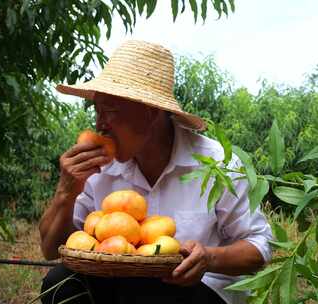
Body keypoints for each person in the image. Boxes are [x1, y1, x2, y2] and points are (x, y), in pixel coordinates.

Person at [39, 40, 273, 304]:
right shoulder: (100, 168)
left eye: (110, 112)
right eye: (98, 111)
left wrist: (208, 258)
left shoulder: (215, 164)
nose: (99, 124)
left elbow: (260, 247)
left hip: (200, 292)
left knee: (144, 292)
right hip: (122, 288)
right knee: (60, 283)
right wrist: (65, 192)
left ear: (149, 112)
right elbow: (50, 249)